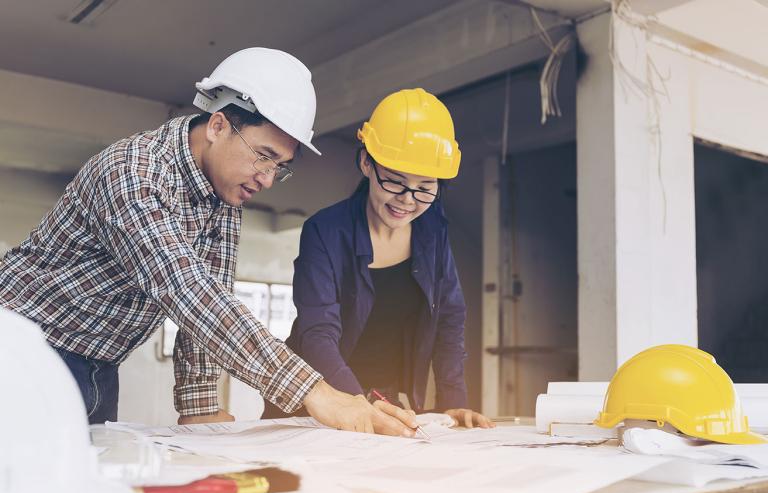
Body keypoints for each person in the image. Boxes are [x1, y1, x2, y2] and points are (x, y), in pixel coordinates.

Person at [0, 48, 417, 437]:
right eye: (264, 155)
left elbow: (213, 289)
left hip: (100, 368)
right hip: (20, 357)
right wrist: (321, 395)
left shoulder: (225, 195)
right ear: (218, 124)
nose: (268, 179)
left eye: (281, 167)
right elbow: (189, 293)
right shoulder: (132, 174)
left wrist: (199, 405)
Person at [268, 88, 493, 428]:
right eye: (395, 181)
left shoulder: (433, 229)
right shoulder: (325, 231)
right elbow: (318, 333)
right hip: (316, 403)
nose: (407, 200)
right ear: (366, 164)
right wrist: (357, 405)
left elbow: (450, 318)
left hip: (383, 400)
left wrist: (452, 404)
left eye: (425, 187)